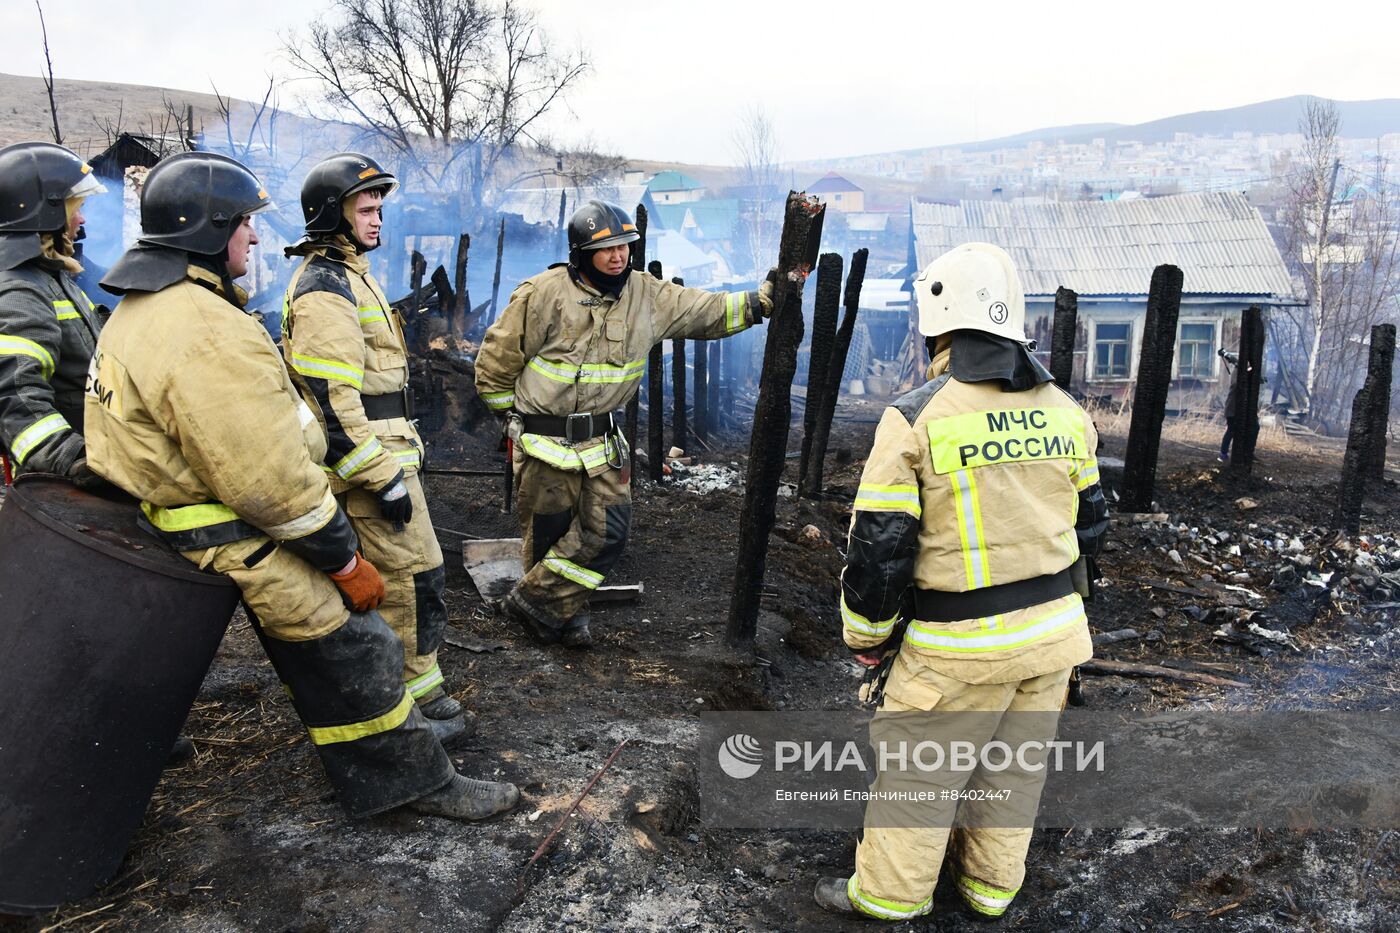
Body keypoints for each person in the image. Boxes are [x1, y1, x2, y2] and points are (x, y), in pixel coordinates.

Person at [84, 151, 517, 822]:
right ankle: (414, 782)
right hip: (229, 531)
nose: (255, 237)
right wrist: (342, 557)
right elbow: (269, 479)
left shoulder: (145, 309)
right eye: (243, 224)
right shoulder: (202, 329)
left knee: (350, 638)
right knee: (355, 639)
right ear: (206, 229)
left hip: (189, 522)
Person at [813, 243, 1109, 921]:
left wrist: (867, 638)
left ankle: (889, 898)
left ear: (937, 326)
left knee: (919, 775)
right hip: (1054, 640)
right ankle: (989, 889)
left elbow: (879, 549)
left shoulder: (917, 417)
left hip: (957, 648)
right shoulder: (1065, 411)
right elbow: (1092, 528)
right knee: (1013, 772)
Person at [475, 200, 771, 648]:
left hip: (601, 445)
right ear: (580, 253)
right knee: (549, 535)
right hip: (543, 442)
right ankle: (562, 614)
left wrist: (758, 302)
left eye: (624, 246)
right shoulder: (543, 293)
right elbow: (495, 366)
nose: (618, 256)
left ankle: (533, 604)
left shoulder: (647, 296)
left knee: (609, 532)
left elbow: (703, 310)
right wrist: (513, 422)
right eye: (606, 248)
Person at [281, 153, 466, 744]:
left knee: (419, 571)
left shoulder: (350, 273)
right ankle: (409, 703)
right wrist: (378, 474)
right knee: (409, 575)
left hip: (388, 446)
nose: (377, 215)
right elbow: (330, 401)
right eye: (366, 206)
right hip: (370, 459)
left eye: (380, 205)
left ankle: (417, 687)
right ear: (333, 213)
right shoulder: (325, 287)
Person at [0, 142, 107, 482]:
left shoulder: (53, 276)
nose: (82, 218)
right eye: (76, 207)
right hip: (63, 483)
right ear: (47, 213)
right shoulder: (19, 289)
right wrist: (74, 458)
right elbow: (15, 395)